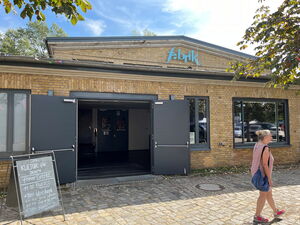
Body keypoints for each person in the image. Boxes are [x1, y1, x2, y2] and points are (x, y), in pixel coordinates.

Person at [251, 130, 285, 224]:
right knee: (263, 195)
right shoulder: (265, 148)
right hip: (263, 175)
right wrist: (269, 179)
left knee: (269, 193)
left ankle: (275, 211)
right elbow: (265, 164)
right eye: (270, 136)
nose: (271, 138)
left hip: (256, 172)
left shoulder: (257, 144)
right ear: (265, 138)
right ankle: (257, 216)